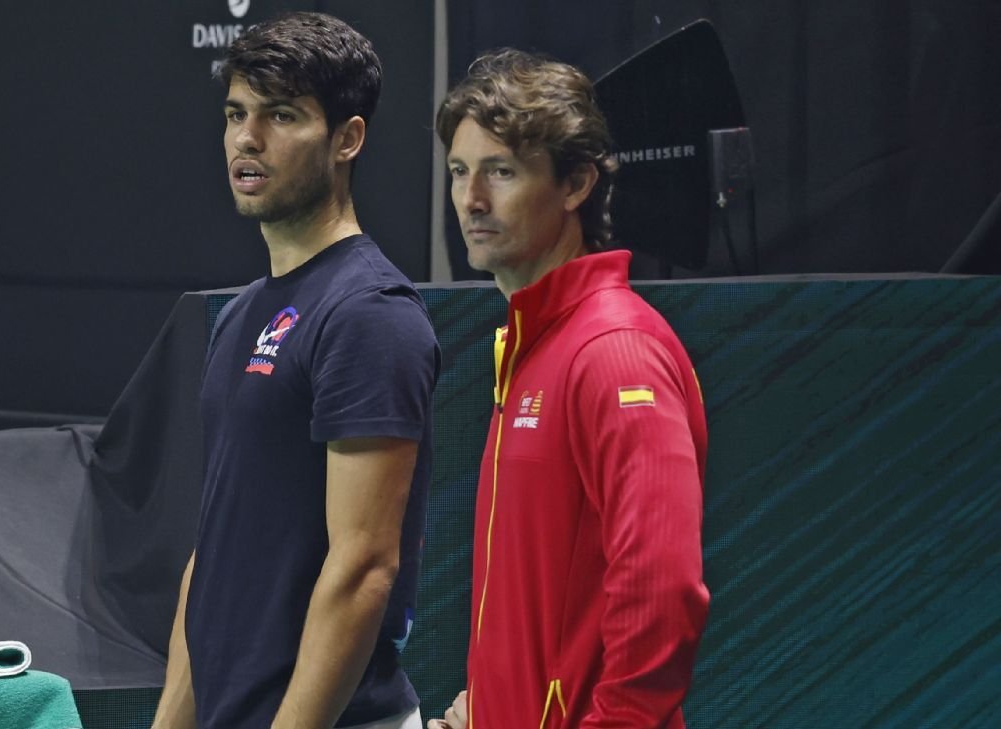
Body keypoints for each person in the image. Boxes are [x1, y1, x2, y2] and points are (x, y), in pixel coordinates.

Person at [151, 12, 439, 729]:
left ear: (348, 138)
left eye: (281, 115)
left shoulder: (370, 312)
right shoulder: (242, 314)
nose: (248, 139)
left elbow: (364, 569)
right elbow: (211, 561)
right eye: (236, 114)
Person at [428, 49, 709, 729]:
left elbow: (662, 596)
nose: (471, 199)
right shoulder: (531, 344)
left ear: (576, 183)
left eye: (501, 171)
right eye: (460, 172)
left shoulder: (614, 353)